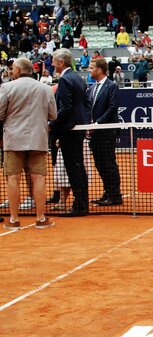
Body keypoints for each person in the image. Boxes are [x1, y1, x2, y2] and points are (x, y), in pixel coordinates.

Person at [0, 57, 57, 229]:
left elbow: (0, 114)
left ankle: (13, 219)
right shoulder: (45, 89)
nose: (11, 71)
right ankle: (40, 218)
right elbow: (53, 115)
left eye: (12, 69)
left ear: (17, 70)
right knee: (39, 178)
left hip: (13, 139)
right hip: (37, 139)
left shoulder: (7, 87)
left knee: (13, 178)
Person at [49, 48, 90, 217]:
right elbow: (86, 105)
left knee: (73, 168)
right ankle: (81, 203)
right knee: (79, 167)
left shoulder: (65, 79)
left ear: (61, 62)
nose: (52, 64)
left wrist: (52, 124)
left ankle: (79, 206)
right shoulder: (78, 78)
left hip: (68, 130)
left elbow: (64, 109)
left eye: (53, 61)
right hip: (77, 128)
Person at [87, 58, 122, 206]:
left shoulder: (111, 86)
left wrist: (97, 124)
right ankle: (107, 192)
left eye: (91, 67)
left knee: (108, 164)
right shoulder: (92, 88)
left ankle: (115, 195)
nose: (89, 70)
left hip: (106, 132)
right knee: (100, 164)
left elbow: (112, 108)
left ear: (100, 70)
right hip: (95, 134)